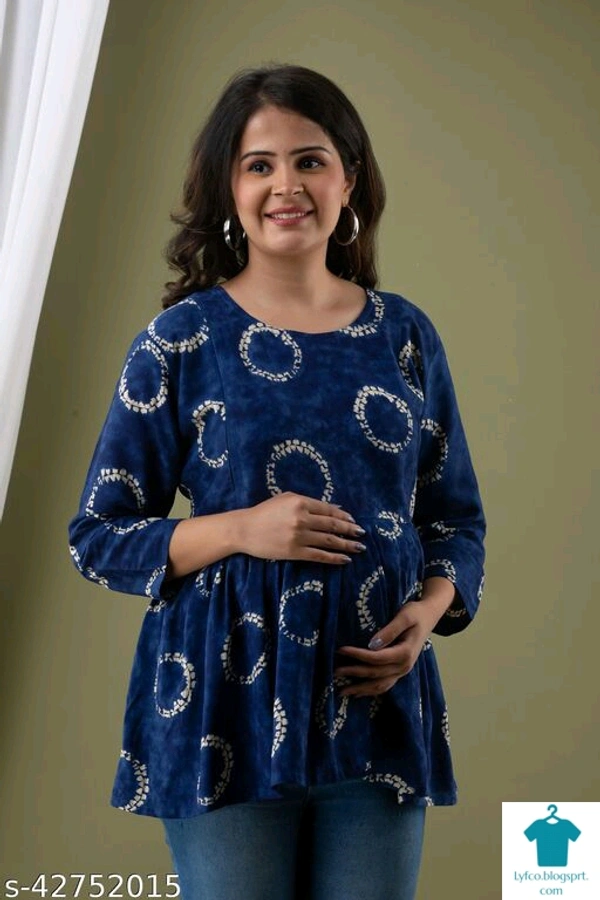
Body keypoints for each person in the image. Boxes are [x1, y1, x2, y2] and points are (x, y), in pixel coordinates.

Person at [68, 64, 486, 900]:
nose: (285, 185)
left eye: (309, 160)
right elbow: (98, 536)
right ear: (230, 186)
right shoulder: (180, 341)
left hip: (377, 711)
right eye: (259, 165)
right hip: (223, 711)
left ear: (348, 180)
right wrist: (241, 530)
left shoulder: (404, 336)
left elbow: (455, 521)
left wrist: (427, 615)